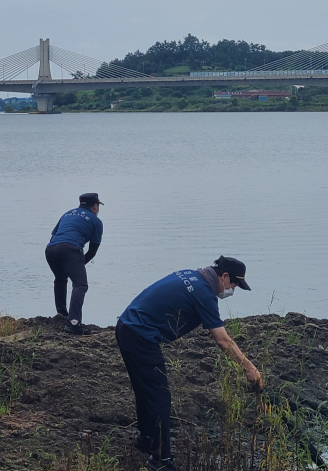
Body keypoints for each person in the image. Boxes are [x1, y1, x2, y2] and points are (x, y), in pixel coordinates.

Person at [116, 256, 262, 471]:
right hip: (140, 336)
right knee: (160, 396)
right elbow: (222, 340)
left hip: (126, 326)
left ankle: (146, 439)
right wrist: (249, 367)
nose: (233, 290)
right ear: (224, 276)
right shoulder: (204, 293)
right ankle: (161, 461)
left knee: (145, 390)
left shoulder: (191, 275)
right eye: (234, 285)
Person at [45, 193, 104, 335]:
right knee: (80, 284)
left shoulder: (67, 214)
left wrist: (75, 264)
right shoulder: (96, 221)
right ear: (95, 206)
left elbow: (54, 236)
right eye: (98, 205)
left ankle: (62, 315)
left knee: (60, 279)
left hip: (51, 249)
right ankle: (74, 323)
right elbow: (92, 250)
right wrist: (79, 264)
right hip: (71, 249)